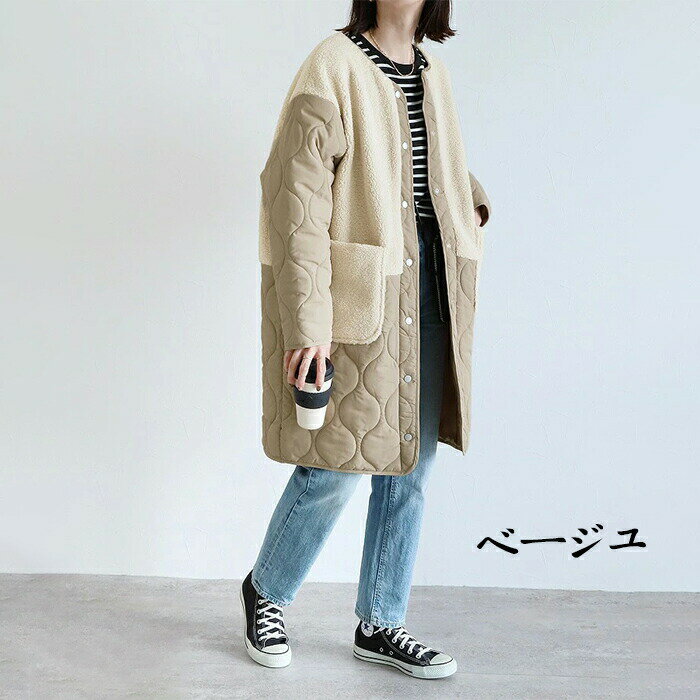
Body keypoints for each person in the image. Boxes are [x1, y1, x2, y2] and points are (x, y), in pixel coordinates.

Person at [243, 0, 491, 679]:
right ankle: (266, 592)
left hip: (432, 285)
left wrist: (470, 198)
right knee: (336, 462)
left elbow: (424, 168)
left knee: (411, 463)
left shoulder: (433, 70)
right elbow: (294, 201)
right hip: (362, 292)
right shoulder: (332, 66)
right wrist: (307, 323)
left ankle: (381, 620)